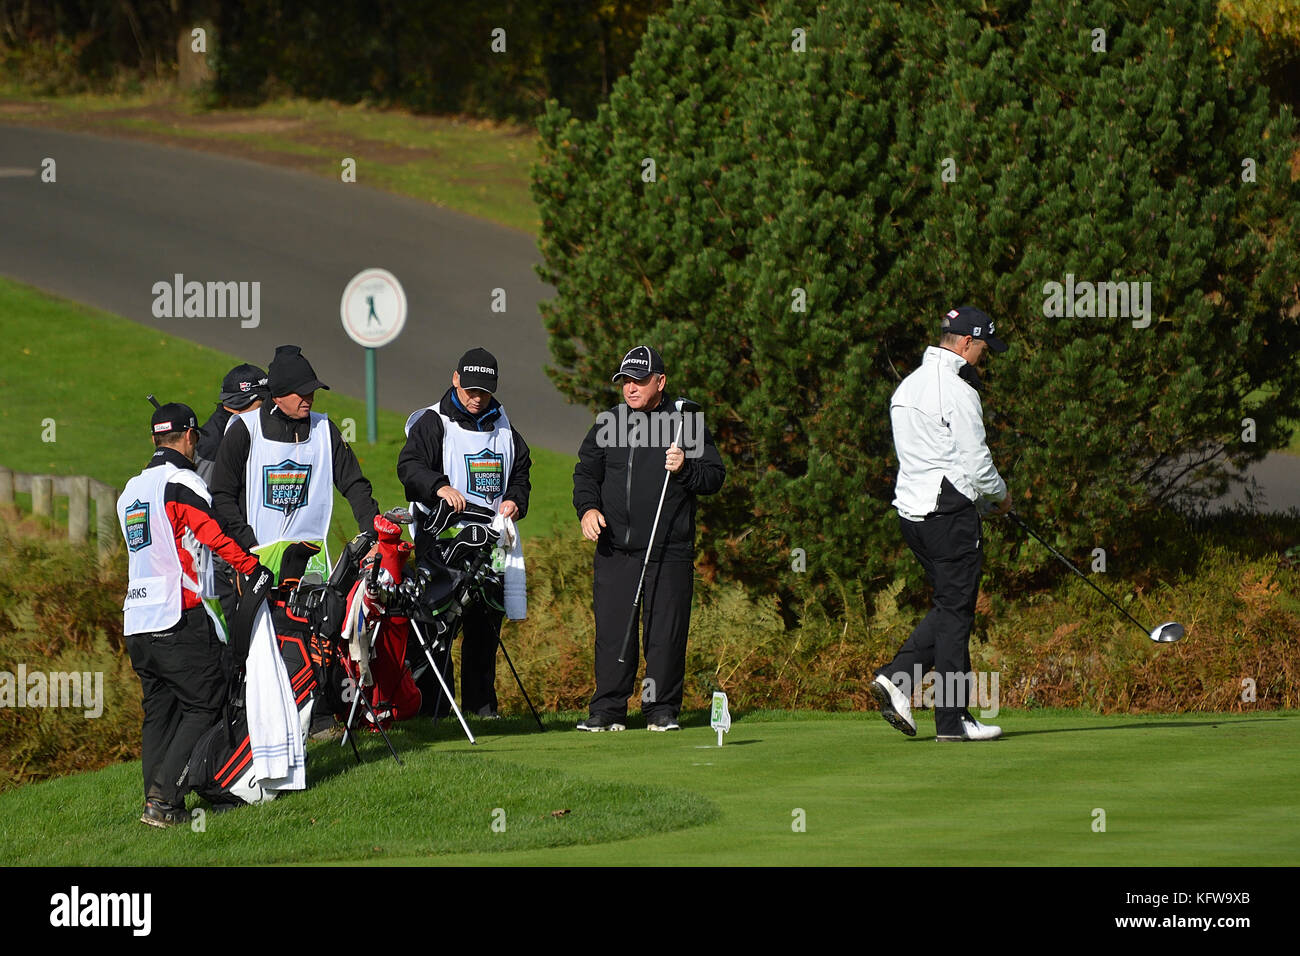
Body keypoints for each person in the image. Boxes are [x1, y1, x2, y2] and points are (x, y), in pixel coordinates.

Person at [116, 401, 269, 827]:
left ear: (153, 440)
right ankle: (165, 799)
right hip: (177, 613)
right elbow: (213, 534)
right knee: (204, 702)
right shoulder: (183, 480)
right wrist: (253, 567)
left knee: (159, 712)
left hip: (137, 619)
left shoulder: (131, 489)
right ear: (190, 438)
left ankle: (157, 801)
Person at [870, 306, 1011, 742]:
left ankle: (928, 699)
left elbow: (936, 458)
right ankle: (933, 707)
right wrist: (1000, 497)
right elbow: (976, 462)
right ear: (966, 343)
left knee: (951, 608)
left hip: (912, 517)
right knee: (955, 612)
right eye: (983, 348)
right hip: (948, 518)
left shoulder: (906, 386)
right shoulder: (957, 391)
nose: (983, 357)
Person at [572, 345, 725, 732]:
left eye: (639, 380)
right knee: (612, 634)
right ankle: (607, 711)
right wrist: (588, 509)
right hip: (615, 550)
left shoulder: (684, 423)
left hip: (667, 550)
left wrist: (686, 468)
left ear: (661, 382)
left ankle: (660, 710)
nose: (631, 388)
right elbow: (586, 473)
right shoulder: (609, 422)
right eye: (625, 380)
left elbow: (714, 477)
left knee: (665, 635)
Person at [397, 348, 532, 718]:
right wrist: (438, 486)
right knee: (438, 629)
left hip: (490, 541)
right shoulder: (433, 422)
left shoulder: (504, 425)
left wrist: (515, 501)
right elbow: (409, 467)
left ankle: (481, 709)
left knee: (484, 629)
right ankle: (436, 712)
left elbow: (521, 472)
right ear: (455, 379)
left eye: (484, 391)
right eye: (471, 389)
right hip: (441, 542)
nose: (477, 398)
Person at [209, 345, 379, 566]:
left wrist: (374, 535)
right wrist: (249, 544)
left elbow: (355, 485)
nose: (309, 398)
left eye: (312, 391)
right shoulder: (244, 430)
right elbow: (222, 495)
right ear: (278, 394)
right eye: (301, 392)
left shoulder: (325, 430)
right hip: (254, 558)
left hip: (312, 562)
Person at [195, 364, 269, 484]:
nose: (268, 408)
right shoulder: (214, 443)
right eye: (263, 403)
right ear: (242, 402)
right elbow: (204, 495)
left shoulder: (235, 429)